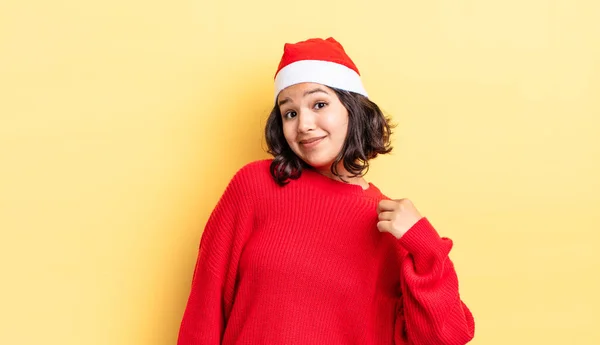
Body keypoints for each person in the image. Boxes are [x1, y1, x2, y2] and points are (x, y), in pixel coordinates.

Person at [177, 37, 475, 345]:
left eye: (319, 104)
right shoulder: (254, 186)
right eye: (289, 113)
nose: (303, 124)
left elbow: (445, 337)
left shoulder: (389, 227)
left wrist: (425, 248)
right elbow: (205, 308)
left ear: (352, 108)